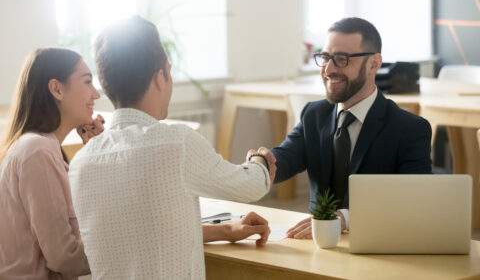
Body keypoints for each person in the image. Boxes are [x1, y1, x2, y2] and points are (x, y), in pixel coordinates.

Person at [68, 15, 277, 279]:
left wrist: (226, 230)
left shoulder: (80, 163)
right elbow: (254, 185)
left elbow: (142, 232)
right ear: (159, 77)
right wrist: (259, 159)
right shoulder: (178, 144)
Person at [271, 17, 432, 239]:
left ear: (374, 63)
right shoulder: (314, 114)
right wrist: (260, 163)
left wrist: (344, 219)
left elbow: (414, 200)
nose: (328, 68)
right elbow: (285, 158)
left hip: (377, 244)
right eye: (325, 57)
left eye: (341, 59)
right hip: (316, 244)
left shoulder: (410, 129)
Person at [0, 48, 105, 279]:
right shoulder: (37, 150)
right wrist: (124, 249)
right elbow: (63, 257)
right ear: (57, 89)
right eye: (87, 82)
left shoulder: (42, 148)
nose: (95, 95)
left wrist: (93, 153)